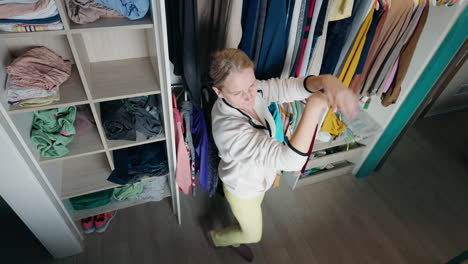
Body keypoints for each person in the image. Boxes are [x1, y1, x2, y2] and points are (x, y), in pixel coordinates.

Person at [207, 49, 358, 262]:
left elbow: (285, 88)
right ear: (219, 92)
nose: (250, 95)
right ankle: (218, 237)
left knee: (248, 215)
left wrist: (325, 80)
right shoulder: (228, 130)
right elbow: (291, 161)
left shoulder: (253, 90)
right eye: (238, 92)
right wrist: (315, 105)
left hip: (259, 180)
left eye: (251, 84)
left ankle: (237, 229)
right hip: (243, 189)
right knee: (253, 233)